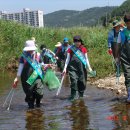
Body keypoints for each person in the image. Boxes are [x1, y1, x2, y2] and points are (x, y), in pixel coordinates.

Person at [13, 40, 44, 109]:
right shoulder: (23, 56)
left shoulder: (38, 55)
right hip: (27, 77)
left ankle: (38, 103)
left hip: (37, 76)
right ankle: (31, 109)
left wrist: (47, 66)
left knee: (39, 93)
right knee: (30, 95)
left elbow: (42, 65)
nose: (30, 51)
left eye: (31, 49)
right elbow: (20, 67)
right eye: (28, 50)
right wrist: (17, 78)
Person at [62, 35, 93, 101]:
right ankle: (72, 96)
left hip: (81, 68)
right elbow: (67, 59)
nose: (77, 43)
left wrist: (89, 68)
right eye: (75, 41)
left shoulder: (83, 49)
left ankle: (81, 96)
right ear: (74, 42)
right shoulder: (70, 49)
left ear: (80, 42)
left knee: (82, 81)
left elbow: (86, 59)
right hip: (72, 68)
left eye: (78, 41)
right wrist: (65, 68)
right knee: (74, 81)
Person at [116, 13, 130, 102]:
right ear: (125, 22)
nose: (129, 23)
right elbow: (118, 45)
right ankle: (129, 95)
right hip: (125, 58)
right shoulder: (122, 33)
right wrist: (117, 57)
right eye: (127, 22)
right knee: (128, 76)